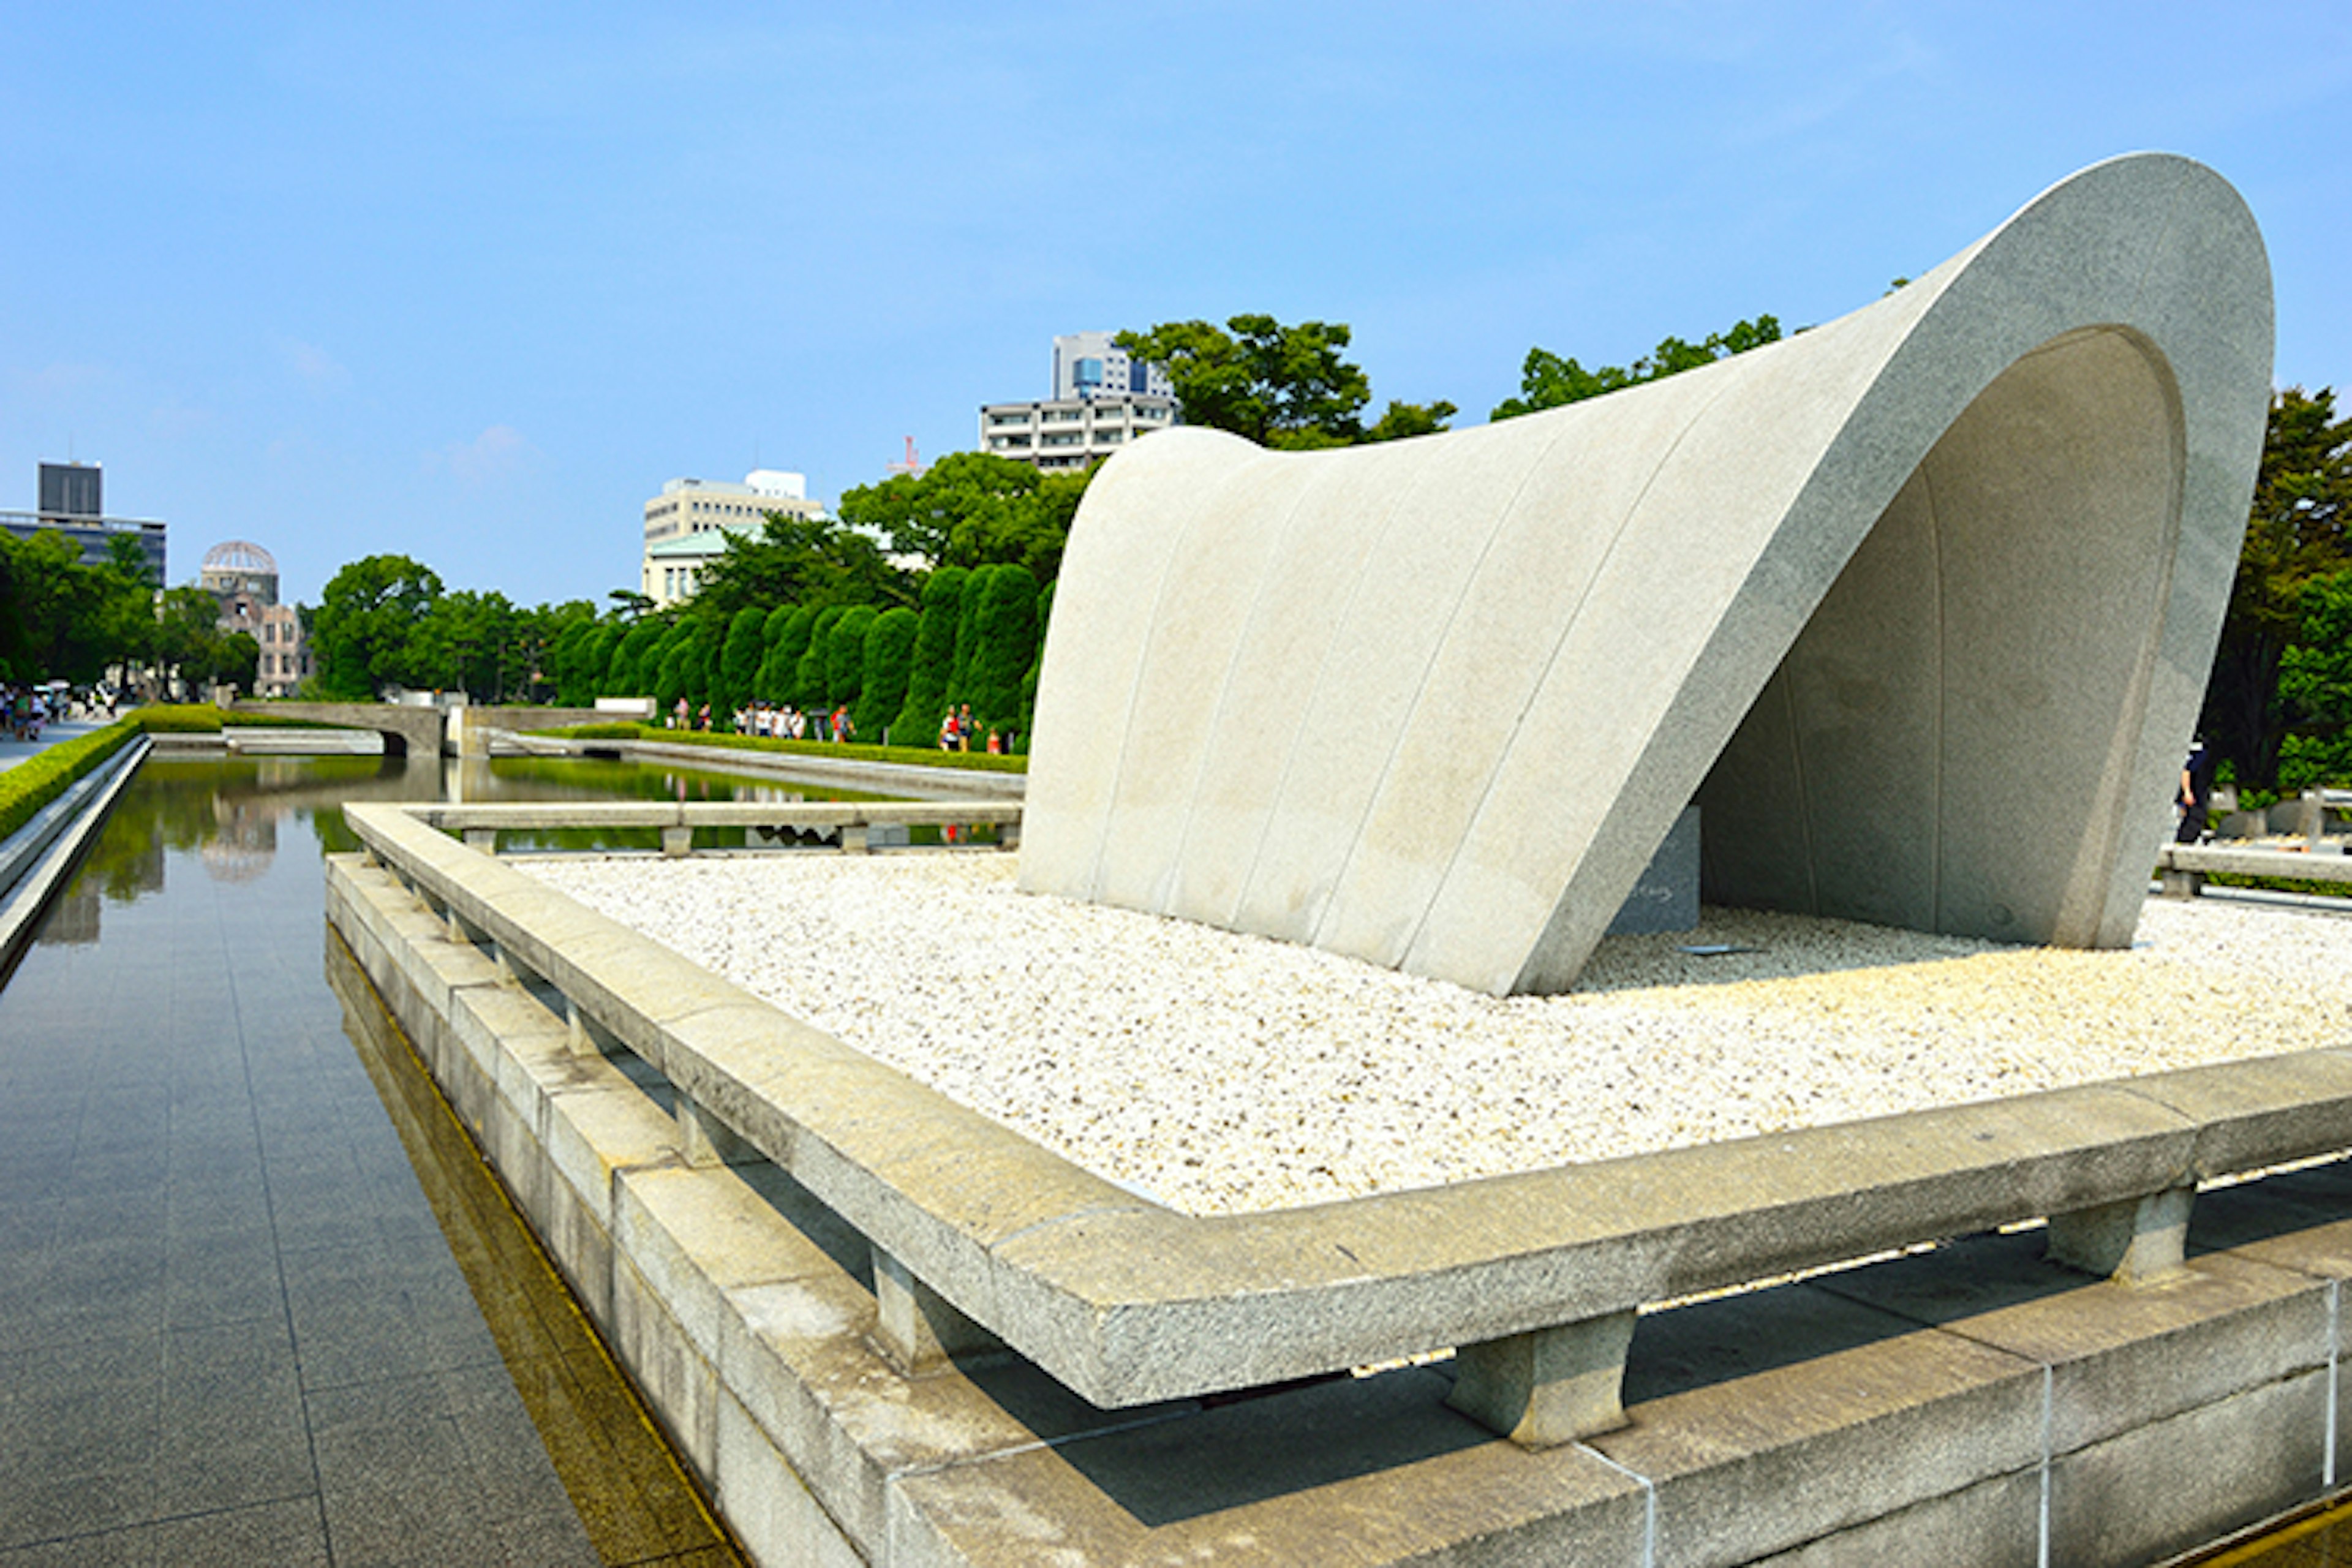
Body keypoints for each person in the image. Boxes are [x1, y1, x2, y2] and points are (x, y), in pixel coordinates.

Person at [2176, 735, 2215, 844]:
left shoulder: (2201, 755)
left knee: (2198, 816)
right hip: (2195, 792)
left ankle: (2191, 839)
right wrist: (2187, 791)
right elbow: (2187, 771)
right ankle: (2185, 841)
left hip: (2200, 791)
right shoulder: (2201, 755)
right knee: (2195, 816)